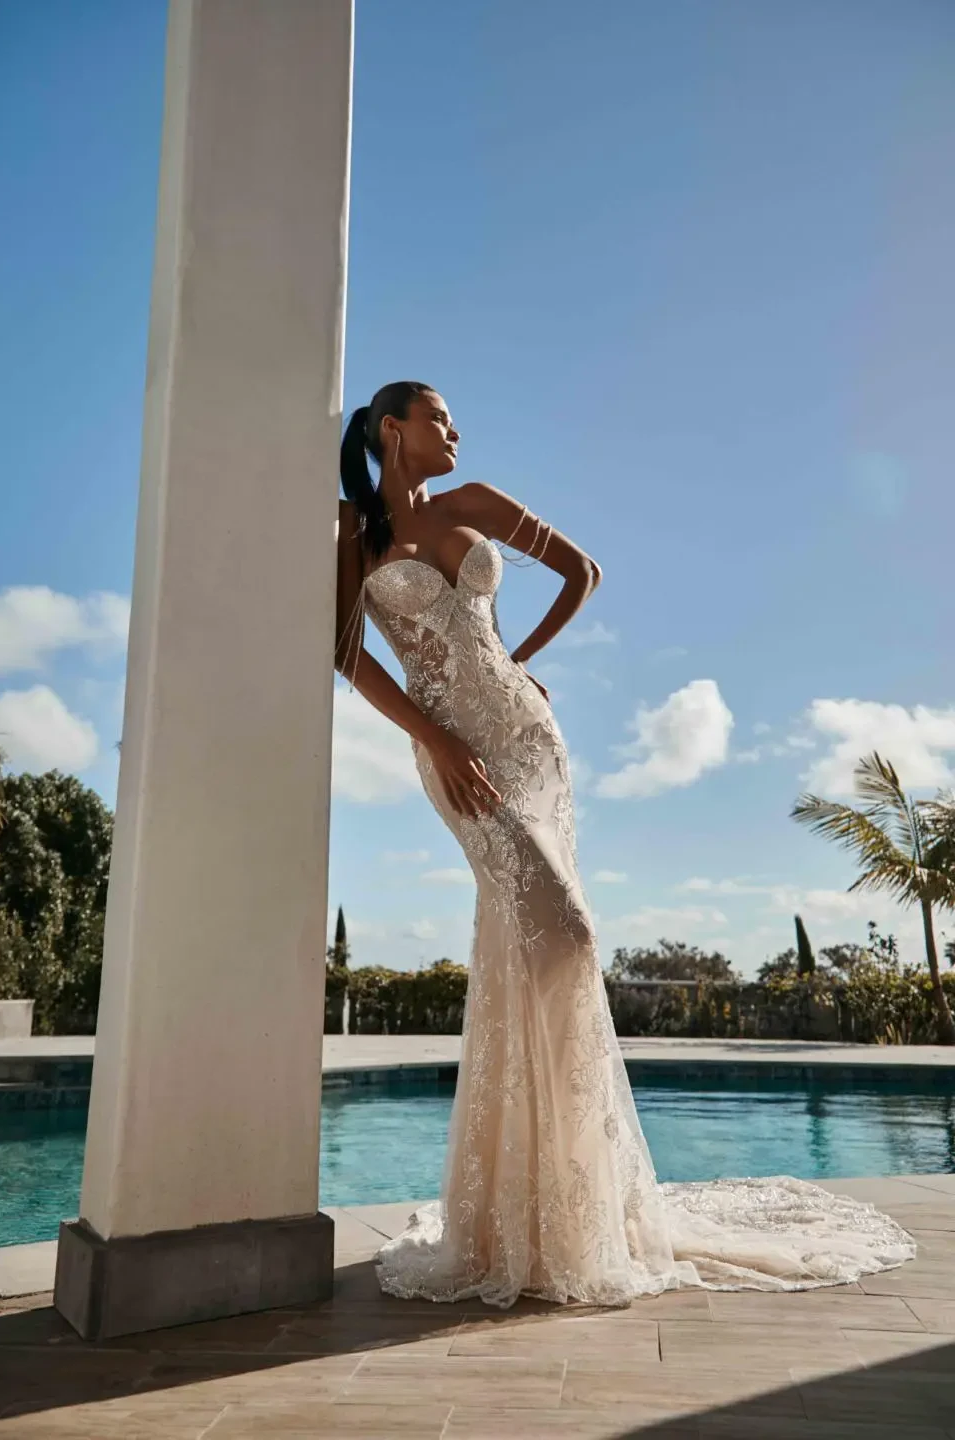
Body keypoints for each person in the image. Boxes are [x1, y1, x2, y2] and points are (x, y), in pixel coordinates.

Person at [335, 380, 914, 1309]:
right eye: (440, 417)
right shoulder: (353, 536)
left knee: (553, 941)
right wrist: (436, 736)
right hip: (456, 756)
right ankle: (521, 1209)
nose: (457, 430)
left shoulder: (474, 504)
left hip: (528, 743)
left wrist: (518, 660)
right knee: (555, 935)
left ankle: (566, 1205)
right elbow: (348, 651)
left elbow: (583, 571)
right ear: (391, 427)